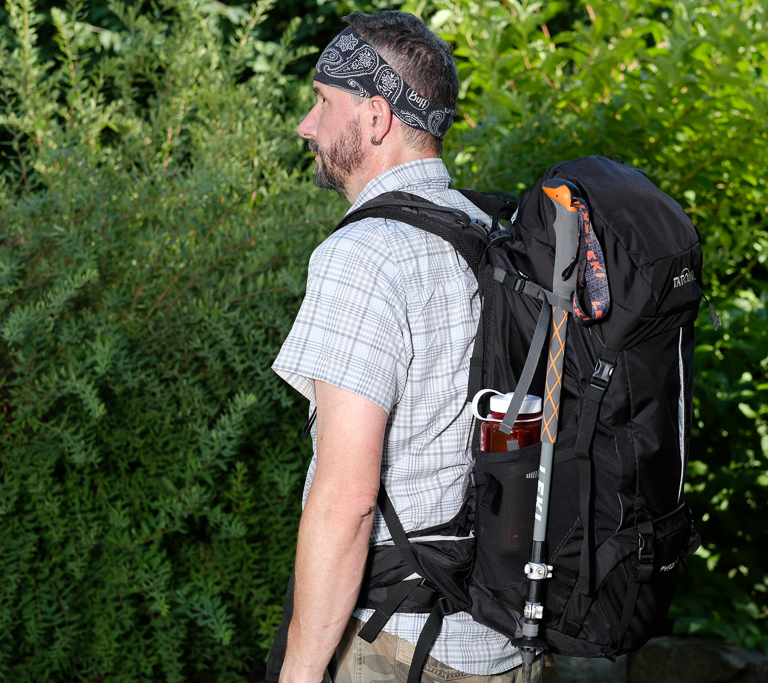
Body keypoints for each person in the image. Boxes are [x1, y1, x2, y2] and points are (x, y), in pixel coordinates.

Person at [270, 11, 534, 683]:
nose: (306, 124)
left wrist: (298, 672)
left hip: (401, 648)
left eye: (323, 102)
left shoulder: (363, 256)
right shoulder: (493, 236)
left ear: (377, 117)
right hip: (504, 637)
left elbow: (347, 496)